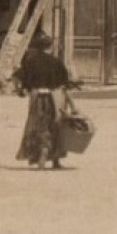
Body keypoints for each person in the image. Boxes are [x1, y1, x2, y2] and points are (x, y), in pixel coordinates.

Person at [14, 31, 72, 170]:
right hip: (55, 98)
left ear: (37, 47)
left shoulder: (30, 62)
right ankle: (56, 160)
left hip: (37, 97)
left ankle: (41, 155)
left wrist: (20, 90)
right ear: (50, 47)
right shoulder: (57, 62)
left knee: (39, 125)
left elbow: (16, 77)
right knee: (56, 125)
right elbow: (65, 84)